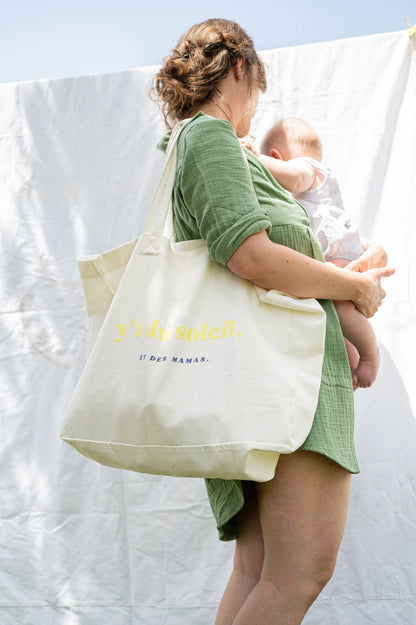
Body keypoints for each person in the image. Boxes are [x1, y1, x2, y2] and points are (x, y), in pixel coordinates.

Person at [153, 18, 394, 625]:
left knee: (260, 572)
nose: (255, 113)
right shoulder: (209, 138)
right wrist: (353, 287)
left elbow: (274, 253)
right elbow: (252, 255)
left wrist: (350, 270)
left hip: (263, 373)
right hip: (286, 381)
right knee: (299, 573)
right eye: (258, 90)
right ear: (241, 69)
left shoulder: (210, 146)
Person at [247, 117, 381, 388]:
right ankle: (349, 364)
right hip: (329, 256)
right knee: (335, 321)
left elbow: (295, 178)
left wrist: (254, 159)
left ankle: (369, 356)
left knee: (342, 309)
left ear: (276, 156)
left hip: (337, 254)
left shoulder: (308, 168)